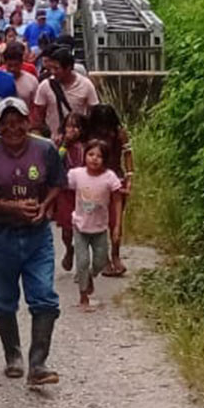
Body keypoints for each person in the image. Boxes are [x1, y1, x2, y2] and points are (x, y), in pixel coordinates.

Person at [0, 97, 66, 385]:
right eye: (6, 123)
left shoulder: (45, 149)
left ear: (27, 121)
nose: (13, 129)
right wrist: (9, 207)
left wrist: (45, 207)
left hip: (37, 236)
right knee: (2, 298)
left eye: (18, 121)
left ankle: (38, 364)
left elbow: (57, 183)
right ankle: (13, 354)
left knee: (44, 296)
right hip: (0, 236)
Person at [83, 102, 134, 277]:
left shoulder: (119, 134)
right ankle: (104, 258)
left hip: (116, 180)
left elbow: (128, 153)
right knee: (98, 221)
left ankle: (115, 255)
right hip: (94, 181)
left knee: (116, 221)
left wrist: (129, 178)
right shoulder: (88, 135)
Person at [68, 139, 121, 308]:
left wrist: (117, 225)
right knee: (82, 261)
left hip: (100, 228)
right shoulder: (76, 174)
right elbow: (62, 187)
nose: (94, 159)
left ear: (105, 159)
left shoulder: (109, 177)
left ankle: (90, 275)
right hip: (80, 226)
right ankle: (83, 296)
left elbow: (117, 200)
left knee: (100, 262)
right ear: (85, 156)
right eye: (91, 154)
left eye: (99, 156)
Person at [32, 47, 100, 139]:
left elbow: (94, 113)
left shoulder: (86, 85)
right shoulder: (45, 86)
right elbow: (38, 115)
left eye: (56, 68)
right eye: (51, 68)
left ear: (68, 68)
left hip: (78, 142)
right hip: (53, 142)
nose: (53, 72)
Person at [54, 112, 84, 273]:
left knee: (82, 227)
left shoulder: (86, 146)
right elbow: (55, 161)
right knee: (66, 228)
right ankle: (68, 248)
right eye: (69, 126)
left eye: (76, 126)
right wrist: (64, 144)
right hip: (65, 191)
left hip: (83, 192)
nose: (72, 130)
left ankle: (81, 257)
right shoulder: (59, 143)